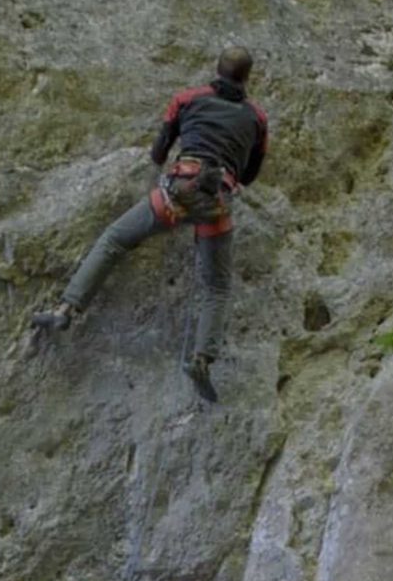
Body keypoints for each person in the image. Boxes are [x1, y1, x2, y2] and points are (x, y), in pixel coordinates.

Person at [29, 47, 270, 404]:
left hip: (176, 194)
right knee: (216, 286)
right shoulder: (257, 118)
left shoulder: (187, 99)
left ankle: (65, 310)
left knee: (114, 239)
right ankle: (201, 359)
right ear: (247, 78)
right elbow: (248, 175)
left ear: (216, 70)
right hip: (216, 204)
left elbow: (159, 152)